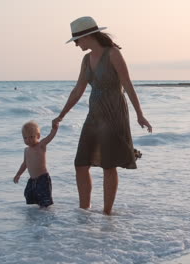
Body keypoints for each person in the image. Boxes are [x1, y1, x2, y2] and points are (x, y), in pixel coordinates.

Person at [53, 16, 152, 215]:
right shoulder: (86, 59)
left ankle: (107, 213)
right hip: (94, 116)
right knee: (81, 163)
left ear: (87, 36)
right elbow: (78, 90)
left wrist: (139, 114)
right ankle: (85, 211)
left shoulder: (113, 54)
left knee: (108, 164)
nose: (76, 45)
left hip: (114, 114)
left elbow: (127, 84)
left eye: (77, 41)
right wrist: (60, 115)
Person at [13, 120, 58, 208]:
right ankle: (36, 215)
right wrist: (18, 174)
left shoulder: (41, 145)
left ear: (38, 136)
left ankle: (46, 213)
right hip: (32, 180)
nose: (28, 140)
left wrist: (54, 129)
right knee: (29, 195)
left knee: (44, 199)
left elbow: (50, 137)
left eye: (31, 137)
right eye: (25, 138)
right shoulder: (26, 150)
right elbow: (25, 164)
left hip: (42, 178)